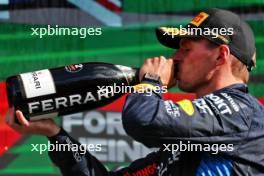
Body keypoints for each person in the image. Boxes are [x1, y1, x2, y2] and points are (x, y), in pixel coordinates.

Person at [6, 8, 264, 176]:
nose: (175, 57)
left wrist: (152, 81)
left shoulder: (241, 113)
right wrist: (54, 134)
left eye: (186, 48)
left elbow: (143, 119)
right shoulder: (192, 140)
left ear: (220, 56)